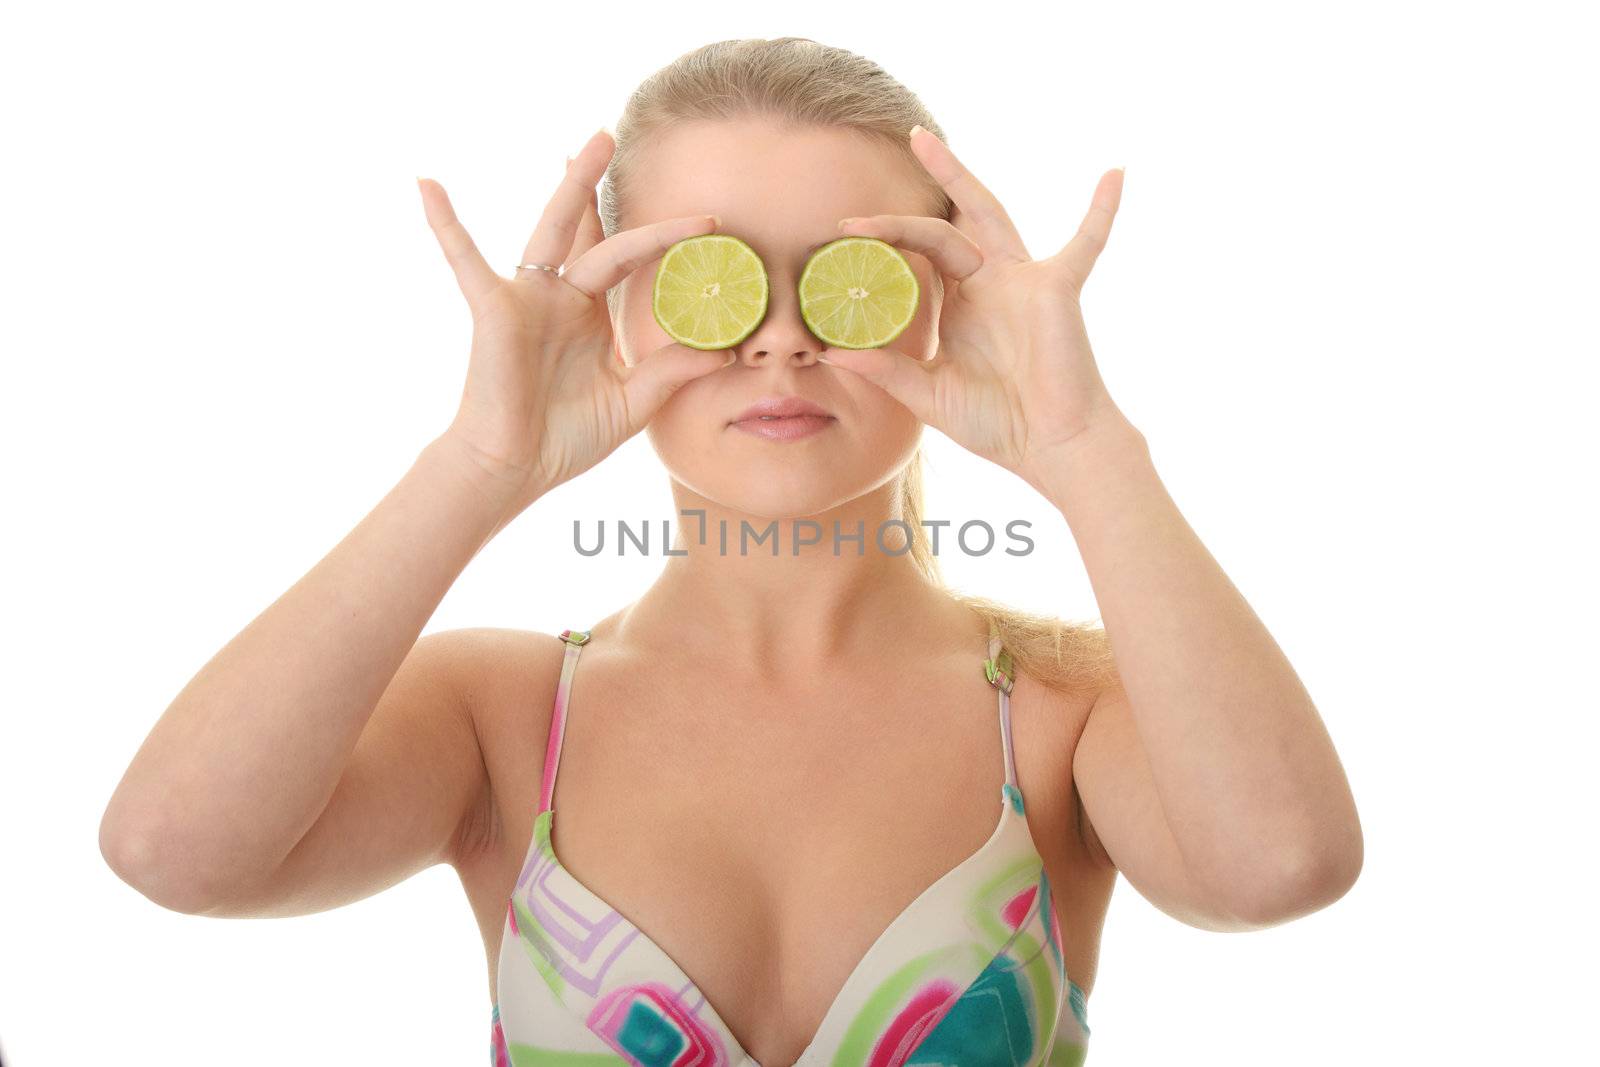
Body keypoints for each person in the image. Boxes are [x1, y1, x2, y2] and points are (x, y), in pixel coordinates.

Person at [99, 37, 1363, 1067]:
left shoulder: (1062, 717)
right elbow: (175, 850)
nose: (778, 341)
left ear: (941, 304)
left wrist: (1082, 443)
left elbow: (1279, 867)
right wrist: (480, 461)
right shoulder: (501, 713)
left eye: (846, 274)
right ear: (611, 307)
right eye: (713, 275)